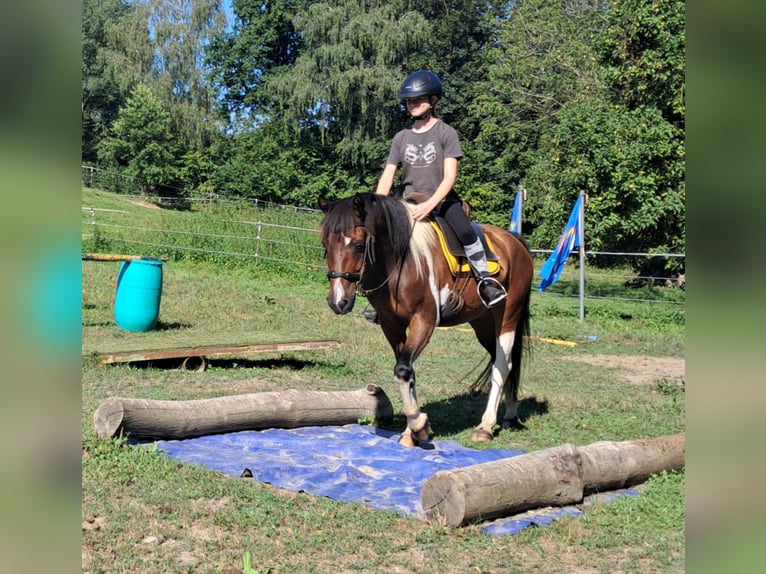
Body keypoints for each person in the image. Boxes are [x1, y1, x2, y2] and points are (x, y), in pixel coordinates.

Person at [366, 70, 506, 322]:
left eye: (418, 100)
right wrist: (376, 205)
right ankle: (381, 297)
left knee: (465, 231)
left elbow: (450, 177)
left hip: (441, 201)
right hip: (408, 203)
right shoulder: (401, 138)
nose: (413, 105)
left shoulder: (446, 133)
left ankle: (485, 280)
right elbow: (388, 175)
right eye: (409, 101)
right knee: (382, 236)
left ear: (433, 100)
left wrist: (431, 205)